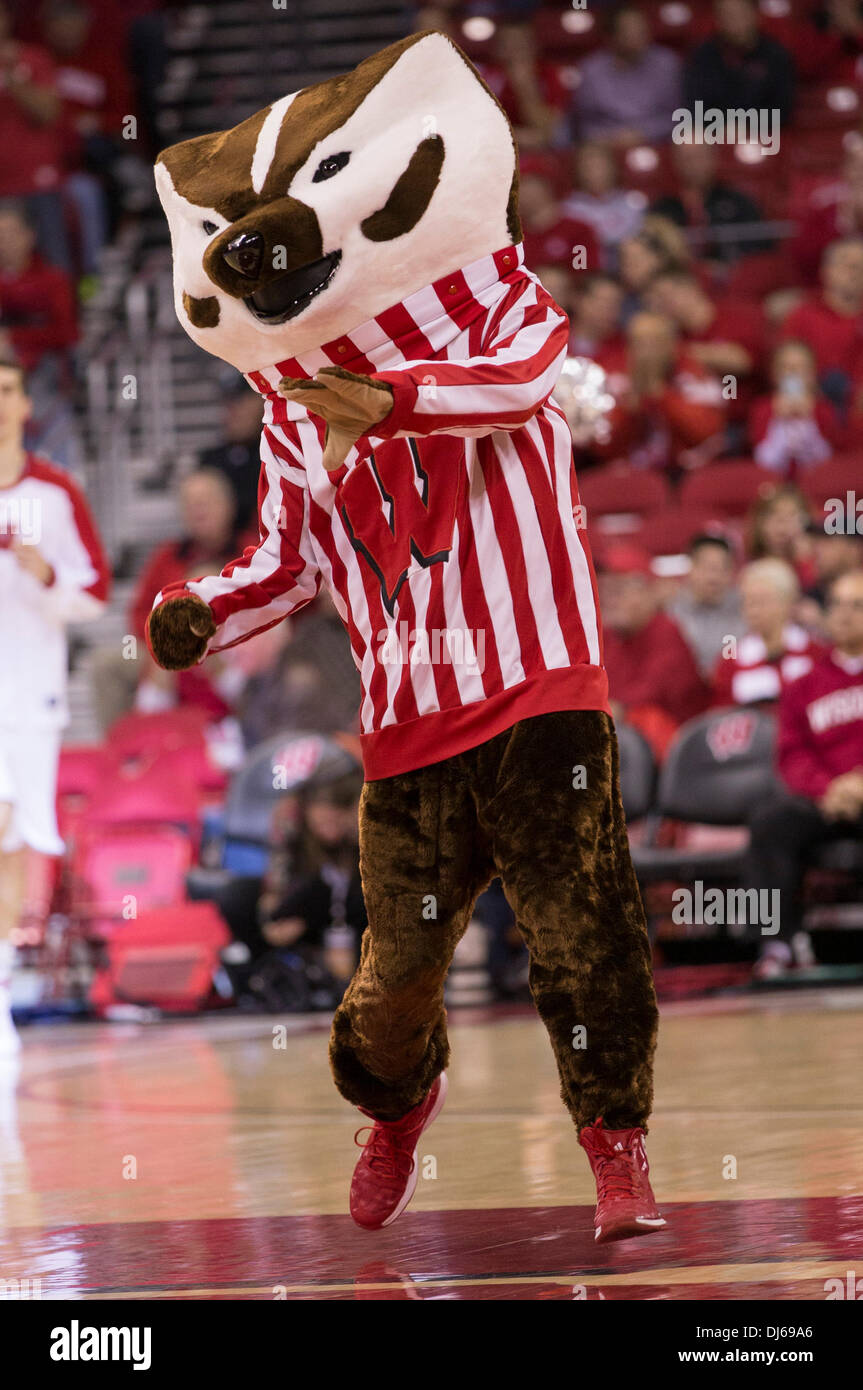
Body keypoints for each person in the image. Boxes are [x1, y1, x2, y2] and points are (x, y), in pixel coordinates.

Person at [0, 356, 109, 1055]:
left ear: (22, 404)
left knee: (14, 831)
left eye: (6, 388)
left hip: (28, 687)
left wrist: (45, 573)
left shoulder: (54, 491)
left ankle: (7, 977)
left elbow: (92, 592)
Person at [746, 568, 863, 979]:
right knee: (770, 821)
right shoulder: (805, 684)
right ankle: (781, 943)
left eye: (857, 606)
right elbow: (792, 756)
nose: (846, 616)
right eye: (838, 607)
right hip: (827, 800)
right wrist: (830, 788)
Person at [89, 467, 257, 731]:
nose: (198, 509)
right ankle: (124, 749)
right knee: (110, 660)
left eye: (206, 501)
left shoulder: (254, 552)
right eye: (190, 503)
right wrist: (163, 642)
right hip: (166, 643)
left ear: (229, 505)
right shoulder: (166, 556)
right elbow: (138, 612)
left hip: (238, 646)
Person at [599, 543, 710, 758]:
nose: (609, 599)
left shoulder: (667, 630)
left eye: (618, 589)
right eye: (604, 589)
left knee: (646, 719)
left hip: (683, 756)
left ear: (648, 591)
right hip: (625, 746)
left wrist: (607, 707)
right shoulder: (607, 636)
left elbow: (650, 694)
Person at [595, 311, 726, 472]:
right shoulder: (612, 377)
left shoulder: (695, 373)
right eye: (638, 343)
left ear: (672, 345)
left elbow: (707, 432)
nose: (645, 352)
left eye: (654, 343)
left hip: (683, 474)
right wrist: (628, 409)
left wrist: (661, 396)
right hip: (628, 477)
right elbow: (602, 448)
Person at [711, 559, 823, 707]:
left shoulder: (816, 652)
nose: (753, 611)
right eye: (747, 602)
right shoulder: (730, 660)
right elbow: (722, 714)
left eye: (760, 602)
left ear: (787, 603)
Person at [574, 5, 682, 148]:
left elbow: (678, 116)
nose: (637, 34)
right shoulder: (591, 71)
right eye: (629, 30)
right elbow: (583, 125)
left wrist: (644, 133)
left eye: (641, 29)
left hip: (661, 142)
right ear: (613, 36)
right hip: (606, 146)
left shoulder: (666, 64)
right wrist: (612, 137)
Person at [652, 141, 771, 266]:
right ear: (675, 162)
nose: (693, 164)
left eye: (699, 156)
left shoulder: (738, 203)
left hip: (733, 277)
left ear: (714, 157)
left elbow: (760, 251)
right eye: (686, 158)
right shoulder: (663, 208)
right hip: (678, 279)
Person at [780, 236, 863, 409]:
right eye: (848, 265)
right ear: (827, 270)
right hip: (813, 407)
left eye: (861, 266)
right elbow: (787, 369)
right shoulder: (803, 315)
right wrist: (795, 402)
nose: (856, 271)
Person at [684, 0, 795, 126]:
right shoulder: (703, 56)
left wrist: (745, 125)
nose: (734, 22)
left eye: (740, 14)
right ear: (718, 20)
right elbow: (696, 106)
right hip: (714, 133)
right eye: (727, 15)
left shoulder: (776, 56)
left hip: (765, 133)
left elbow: (782, 109)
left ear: (756, 16)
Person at [749, 340, 845, 474]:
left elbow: (826, 461)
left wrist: (808, 419)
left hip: (814, 483)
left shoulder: (824, 410)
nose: (794, 373)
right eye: (786, 367)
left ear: (813, 374)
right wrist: (778, 420)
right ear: (774, 373)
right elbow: (763, 462)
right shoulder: (762, 409)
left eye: (801, 367)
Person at [669, 533, 745, 679]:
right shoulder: (672, 612)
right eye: (707, 567)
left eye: (722, 568)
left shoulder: (745, 609)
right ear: (691, 568)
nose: (713, 577)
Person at [562, 142, 644, 265]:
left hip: (630, 265)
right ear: (578, 172)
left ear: (613, 168)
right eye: (588, 168)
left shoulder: (634, 202)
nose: (595, 173)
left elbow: (640, 240)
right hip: (588, 270)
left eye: (600, 166)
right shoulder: (568, 210)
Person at [197, 385, 264, 529]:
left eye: (241, 403)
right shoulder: (210, 459)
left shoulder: (275, 454)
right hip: (224, 543)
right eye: (229, 403)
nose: (234, 411)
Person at [518, 170, 599, 275]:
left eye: (528, 185)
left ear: (546, 187)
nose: (523, 192)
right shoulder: (511, 236)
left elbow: (586, 273)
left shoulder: (578, 230)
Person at [568, 271, 625, 359]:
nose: (609, 310)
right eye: (603, 302)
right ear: (578, 301)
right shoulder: (551, 340)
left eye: (616, 303)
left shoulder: (623, 347)